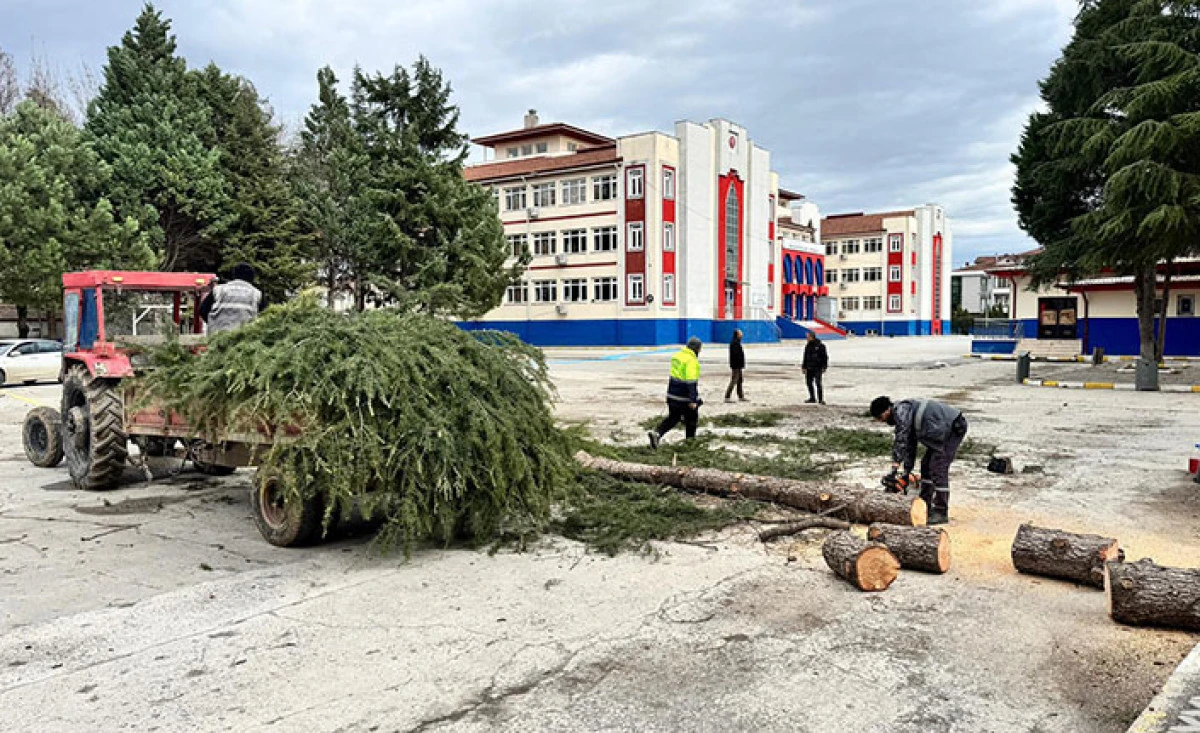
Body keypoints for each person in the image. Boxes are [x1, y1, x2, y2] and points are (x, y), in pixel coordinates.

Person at [870, 395, 969, 525]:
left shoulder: (901, 413)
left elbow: (901, 440)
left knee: (938, 467)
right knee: (926, 465)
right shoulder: (906, 414)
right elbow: (910, 447)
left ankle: (941, 511)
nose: (883, 421)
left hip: (953, 427)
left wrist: (894, 467)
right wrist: (906, 472)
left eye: (881, 418)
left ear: (886, 410)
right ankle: (925, 504)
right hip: (939, 432)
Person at [648, 336, 703, 448]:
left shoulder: (677, 356)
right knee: (692, 419)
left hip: (672, 394)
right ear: (696, 349)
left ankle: (657, 433)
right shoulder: (691, 360)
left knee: (673, 417)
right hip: (683, 396)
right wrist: (693, 400)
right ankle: (690, 444)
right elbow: (691, 381)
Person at [200, 262, 265, 334]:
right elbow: (265, 316)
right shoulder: (256, 294)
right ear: (252, 277)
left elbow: (202, 310)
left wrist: (213, 323)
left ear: (234, 275)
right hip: (244, 338)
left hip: (217, 336)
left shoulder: (219, 290)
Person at [802, 331, 828, 404]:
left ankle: (820, 399)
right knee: (809, 383)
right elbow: (805, 357)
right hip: (809, 367)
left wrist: (824, 366)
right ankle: (812, 398)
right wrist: (804, 367)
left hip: (818, 368)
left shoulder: (821, 346)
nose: (807, 338)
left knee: (818, 383)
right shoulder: (808, 346)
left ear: (811, 337)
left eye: (808, 337)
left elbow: (825, 357)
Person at [725, 329, 747, 403]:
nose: (742, 335)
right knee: (734, 380)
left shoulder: (737, 342)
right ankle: (727, 397)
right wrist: (739, 364)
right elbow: (736, 355)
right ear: (737, 335)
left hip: (738, 365)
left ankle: (741, 396)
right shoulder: (734, 343)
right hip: (736, 365)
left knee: (739, 380)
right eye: (740, 333)